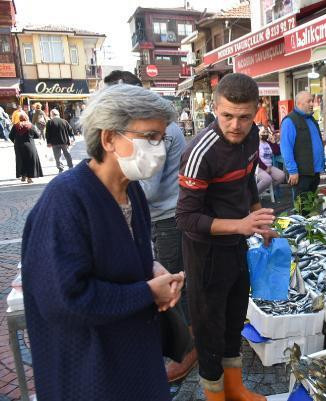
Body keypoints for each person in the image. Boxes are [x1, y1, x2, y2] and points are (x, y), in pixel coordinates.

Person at [21, 83, 185, 401]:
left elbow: (124, 253)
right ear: (109, 138)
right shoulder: (66, 200)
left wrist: (151, 268)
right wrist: (147, 292)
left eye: (162, 138)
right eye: (150, 137)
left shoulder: (131, 189)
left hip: (134, 354)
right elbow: (64, 299)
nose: (159, 148)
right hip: (92, 369)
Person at [176, 73, 276, 401]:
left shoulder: (251, 140)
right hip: (205, 253)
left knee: (235, 319)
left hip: (236, 245)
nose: (235, 125)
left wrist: (258, 218)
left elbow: (247, 182)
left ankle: (235, 388)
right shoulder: (200, 152)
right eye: (227, 116)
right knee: (209, 332)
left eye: (244, 117)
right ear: (215, 109)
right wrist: (241, 225)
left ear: (256, 112)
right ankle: (215, 396)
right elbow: (186, 218)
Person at [104, 69, 197, 381]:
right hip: (165, 214)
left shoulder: (157, 128)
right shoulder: (77, 193)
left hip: (168, 215)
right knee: (172, 278)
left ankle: (186, 349)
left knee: (174, 285)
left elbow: (152, 187)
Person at [280, 91, 325, 200]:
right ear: (299, 103)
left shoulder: (311, 119)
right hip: (301, 173)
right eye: (308, 101)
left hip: (314, 172)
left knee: (310, 205)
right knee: (302, 207)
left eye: (312, 101)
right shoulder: (290, 121)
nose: (312, 104)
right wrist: (292, 170)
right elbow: (286, 148)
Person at [9, 114, 43, 183]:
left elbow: (10, 136)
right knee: (30, 161)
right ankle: (29, 178)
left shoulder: (15, 126)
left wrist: (15, 142)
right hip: (29, 145)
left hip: (18, 146)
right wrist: (31, 137)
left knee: (21, 161)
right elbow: (37, 135)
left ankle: (23, 176)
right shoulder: (30, 125)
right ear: (27, 118)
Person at [256, 125, 285, 195]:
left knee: (281, 176)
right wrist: (265, 168)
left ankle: (267, 189)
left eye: (266, 132)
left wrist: (273, 142)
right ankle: (252, 197)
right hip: (259, 167)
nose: (265, 133)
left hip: (269, 166)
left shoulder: (268, 143)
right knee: (267, 179)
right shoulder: (256, 143)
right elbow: (256, 158)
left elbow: (277, 152)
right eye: (263, 132)